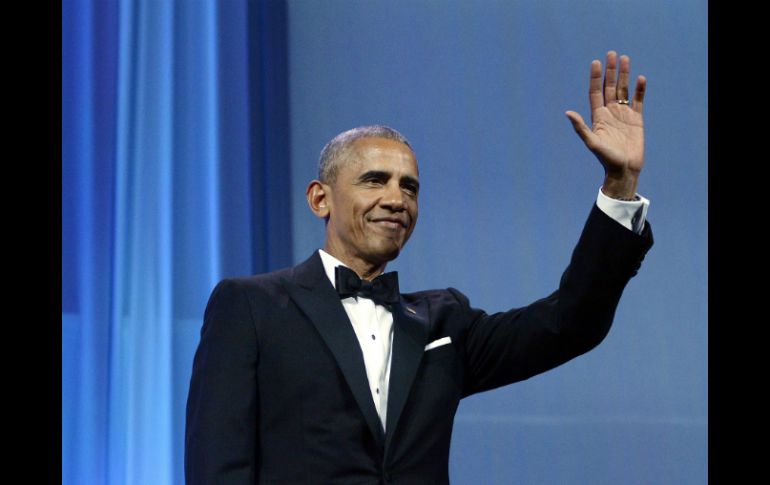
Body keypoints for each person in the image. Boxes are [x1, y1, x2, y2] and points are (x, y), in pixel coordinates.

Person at [185, 50, 654, 484]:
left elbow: (569, 323)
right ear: (320, 198)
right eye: (375, 181)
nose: (397, 199)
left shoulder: (443, 323)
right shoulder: (252, 307)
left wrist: (620, 185)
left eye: (409, 187)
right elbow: (217, 465)